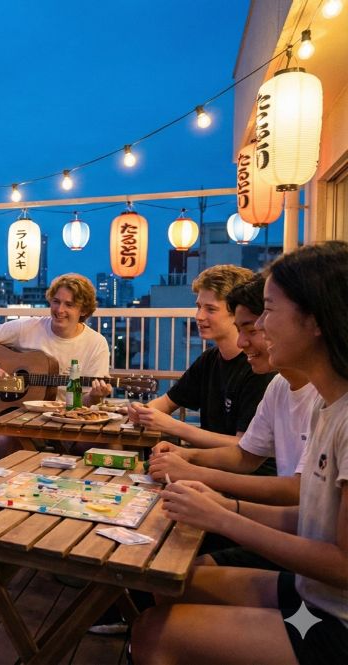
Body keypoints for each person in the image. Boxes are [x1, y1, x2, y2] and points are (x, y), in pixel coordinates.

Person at [131, 241, 348, 665]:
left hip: (333, 620)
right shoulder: (327, 403)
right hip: (310, 591)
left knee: (154, 635)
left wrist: (222, 517)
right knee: (169, 584)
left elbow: (342, 565)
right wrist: (222, 503)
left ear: (316, 320)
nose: (259, 328)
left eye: (268, 312)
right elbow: (310, 516)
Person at [148, 275, 319, 507]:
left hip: (266, 500)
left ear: (312, 323)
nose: (241, 343)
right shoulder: (279, 385)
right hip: (277, 513)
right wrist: (185, 455)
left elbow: (299, 492)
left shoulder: (329, 396)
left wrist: (196, 473)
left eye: (254, 330)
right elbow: (245, 455)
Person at [128, 265, 276, 451]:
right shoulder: (209, 359)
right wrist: (142, 411)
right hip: (207, 461)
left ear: (237, 311)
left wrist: (173, 426)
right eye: (198, 307)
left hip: (234, 468)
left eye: (210, 309)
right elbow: (167, 402)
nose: (199, 316)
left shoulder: (259, 366)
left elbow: (245, 447)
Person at [0, 273, 112, 458]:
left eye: (69, 304)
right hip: (21, 414)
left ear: (83, 310)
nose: (60, 309)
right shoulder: (28, 326)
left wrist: (95, 396)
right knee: (2, 441)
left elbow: (86, 403)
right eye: (56, 302)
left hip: (67, 417)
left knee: (100, 445)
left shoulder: (96, 343)